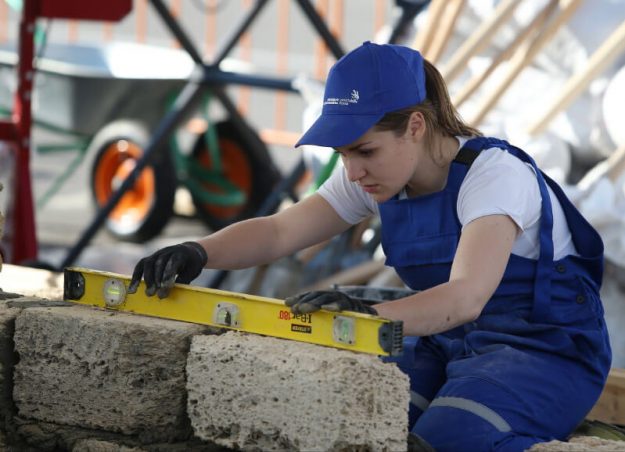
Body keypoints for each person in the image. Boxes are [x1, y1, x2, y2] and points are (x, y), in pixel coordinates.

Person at [128, 41, 611, 451]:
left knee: (445, 441)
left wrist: (365, 316)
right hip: (450, 340)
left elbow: (466, 296)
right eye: (343, 154)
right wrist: (198, 251)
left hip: (544, 349)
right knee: (361, 421)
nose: (353, 170)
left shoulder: (493, 176)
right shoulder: (376, 175)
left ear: (416, 126)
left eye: (364, 151)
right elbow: (279, 233)